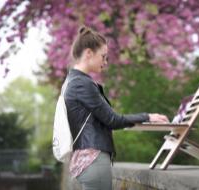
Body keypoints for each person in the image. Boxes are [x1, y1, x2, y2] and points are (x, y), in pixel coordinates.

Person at [60, 26, 169, 190]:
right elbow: (112, 120)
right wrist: (147, 116)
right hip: (93, 160)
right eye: (103, 57)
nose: (105, 62)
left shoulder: (72, 81)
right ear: (89, 53)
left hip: (86, 160)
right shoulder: (82, 83)